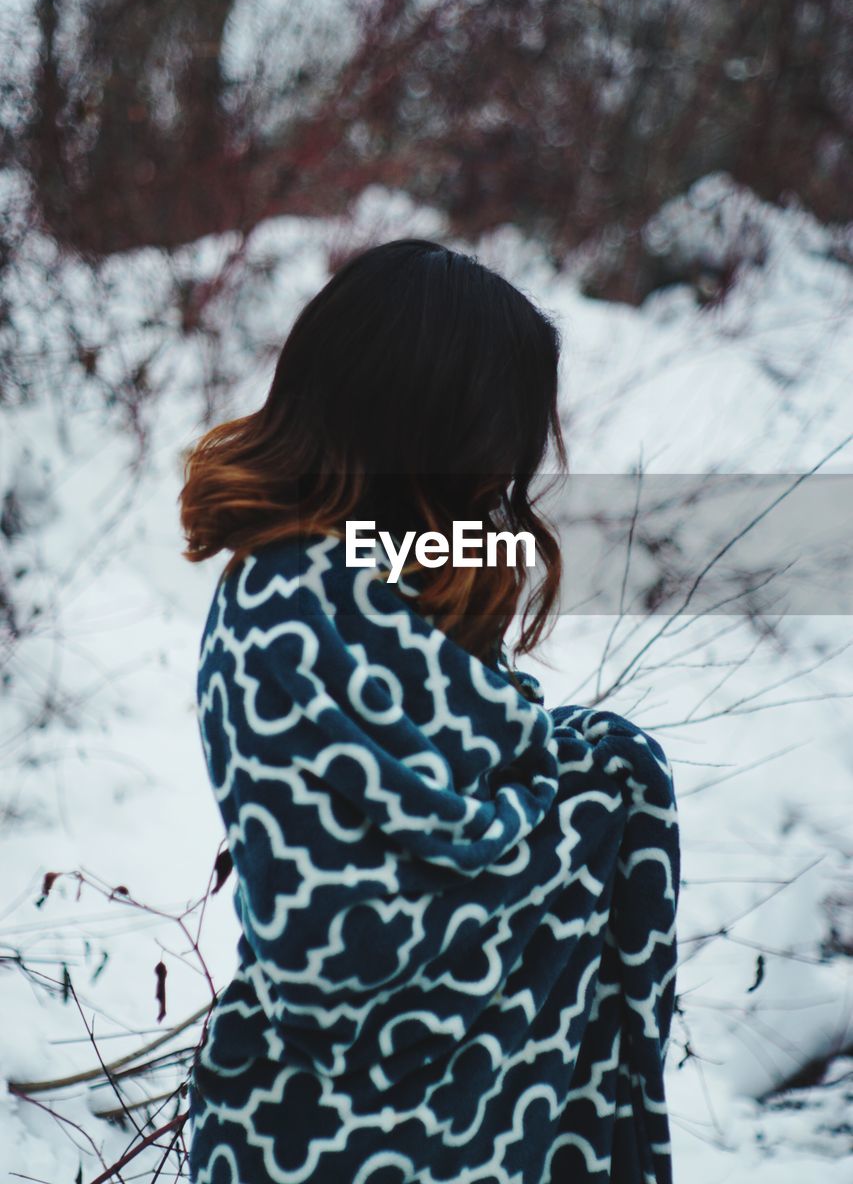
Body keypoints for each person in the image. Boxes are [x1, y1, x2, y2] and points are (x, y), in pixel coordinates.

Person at [178, 238, 680, 1184]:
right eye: (490, 465)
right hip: (332, 1130)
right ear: (425, 428)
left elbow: (476, 772)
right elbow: (341, 947)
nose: (499, 498)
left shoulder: (370, 576)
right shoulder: (290, 605)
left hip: (465, 1119)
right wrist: (585, 802)